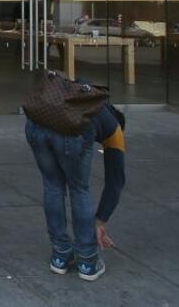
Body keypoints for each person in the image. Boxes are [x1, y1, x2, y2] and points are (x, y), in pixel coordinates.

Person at [26, 102, 126, 282]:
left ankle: (60, 256)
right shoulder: (115, 129)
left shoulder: (85, 97)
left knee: (52, 186)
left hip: (36, 125)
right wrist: (100, 221)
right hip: (73, 132)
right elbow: (116, 181)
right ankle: (88, 262)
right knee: (79, 188)